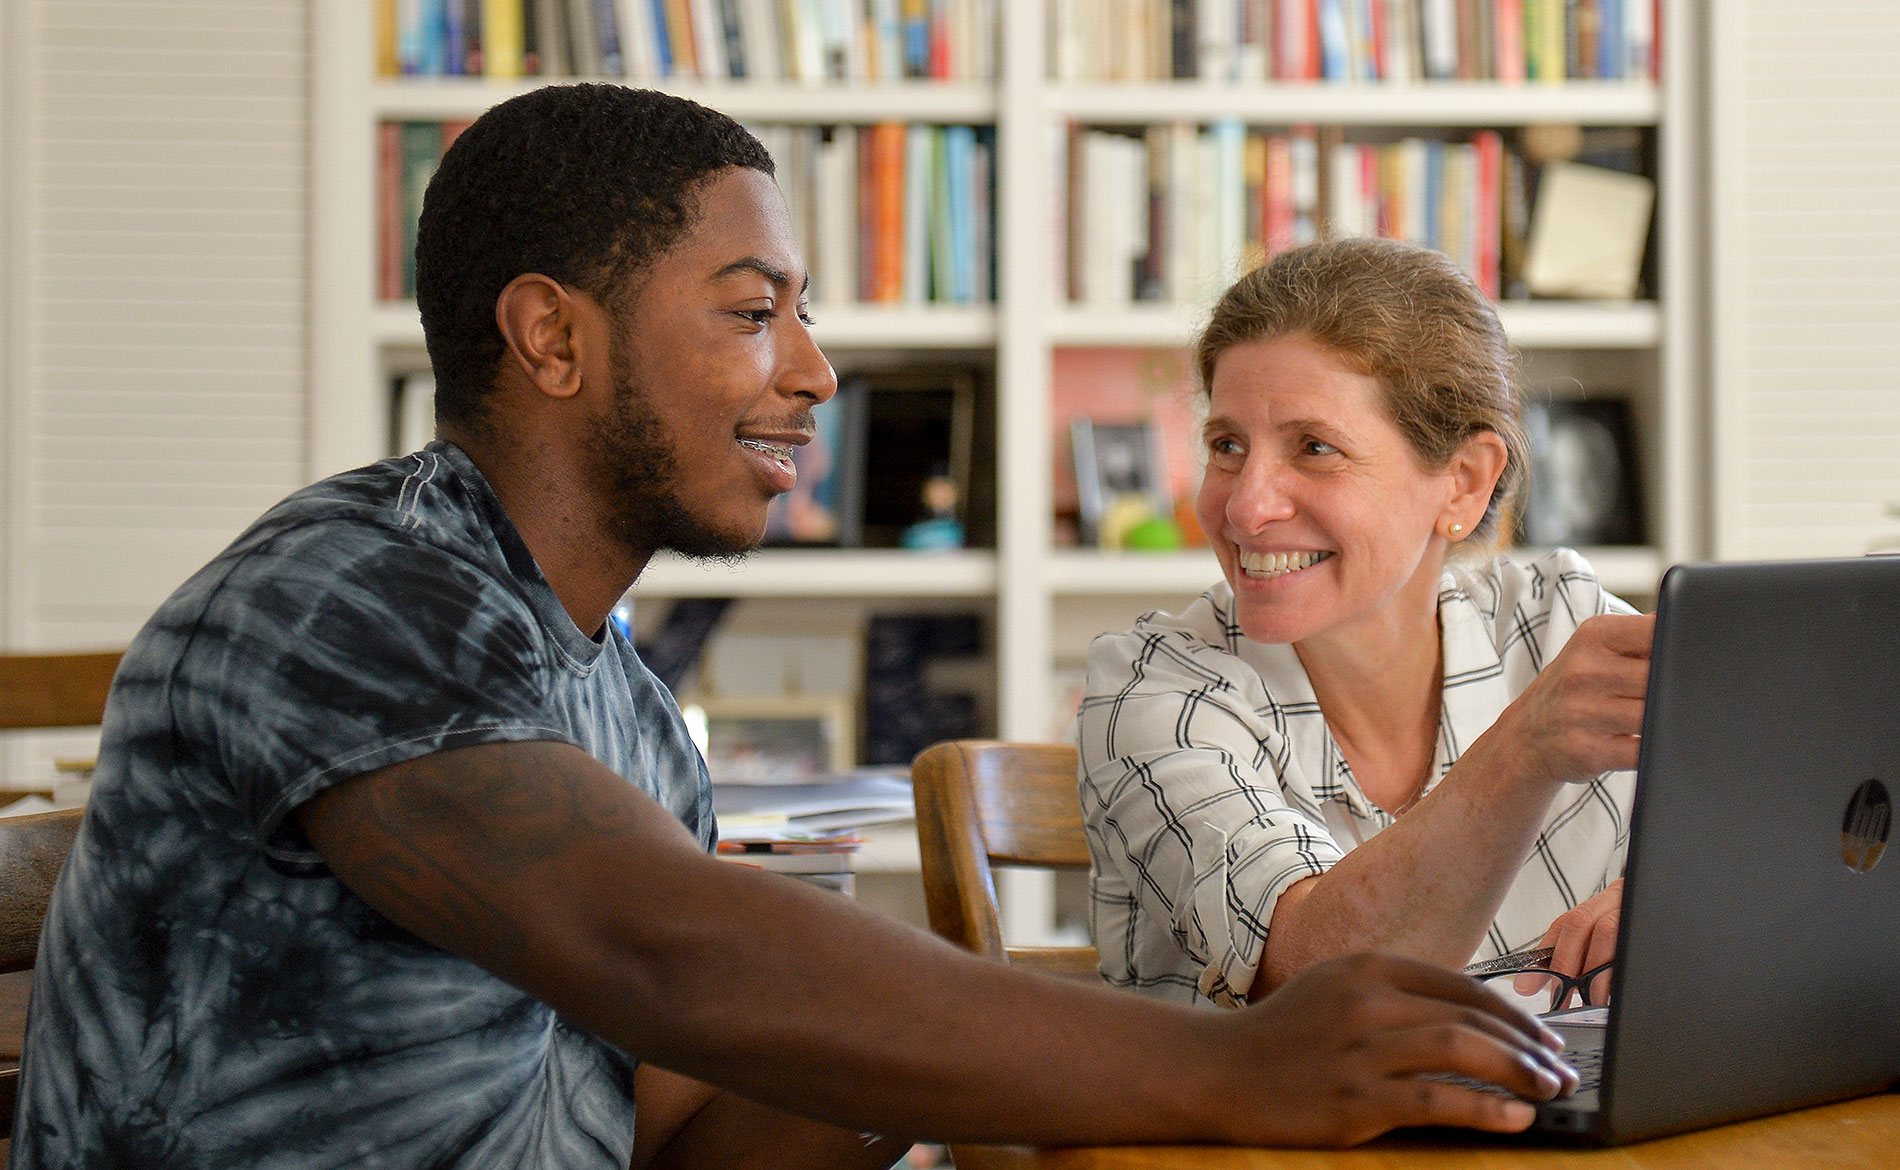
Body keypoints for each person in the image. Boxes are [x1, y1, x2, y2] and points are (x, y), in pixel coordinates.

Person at [10, 87, 1577, 1168]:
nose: (816, 370)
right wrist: (1239, 1063)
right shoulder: (340, 594)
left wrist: (920, 1055)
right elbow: (664, 947)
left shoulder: (610, 696)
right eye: (754, 311)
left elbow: (680, 1108)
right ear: (552, 335)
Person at [1079, 237, 1653, 1011]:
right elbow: (1317, 983)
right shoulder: (1155, 689)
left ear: (1464, 483)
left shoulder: (1560, 626)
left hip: (1550, 1128)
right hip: (1254, 1134)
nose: (1245, 507)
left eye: (1314, 448)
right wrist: (1524, 750)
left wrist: (1689, 901)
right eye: (1227, 446)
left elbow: (1800, 847)